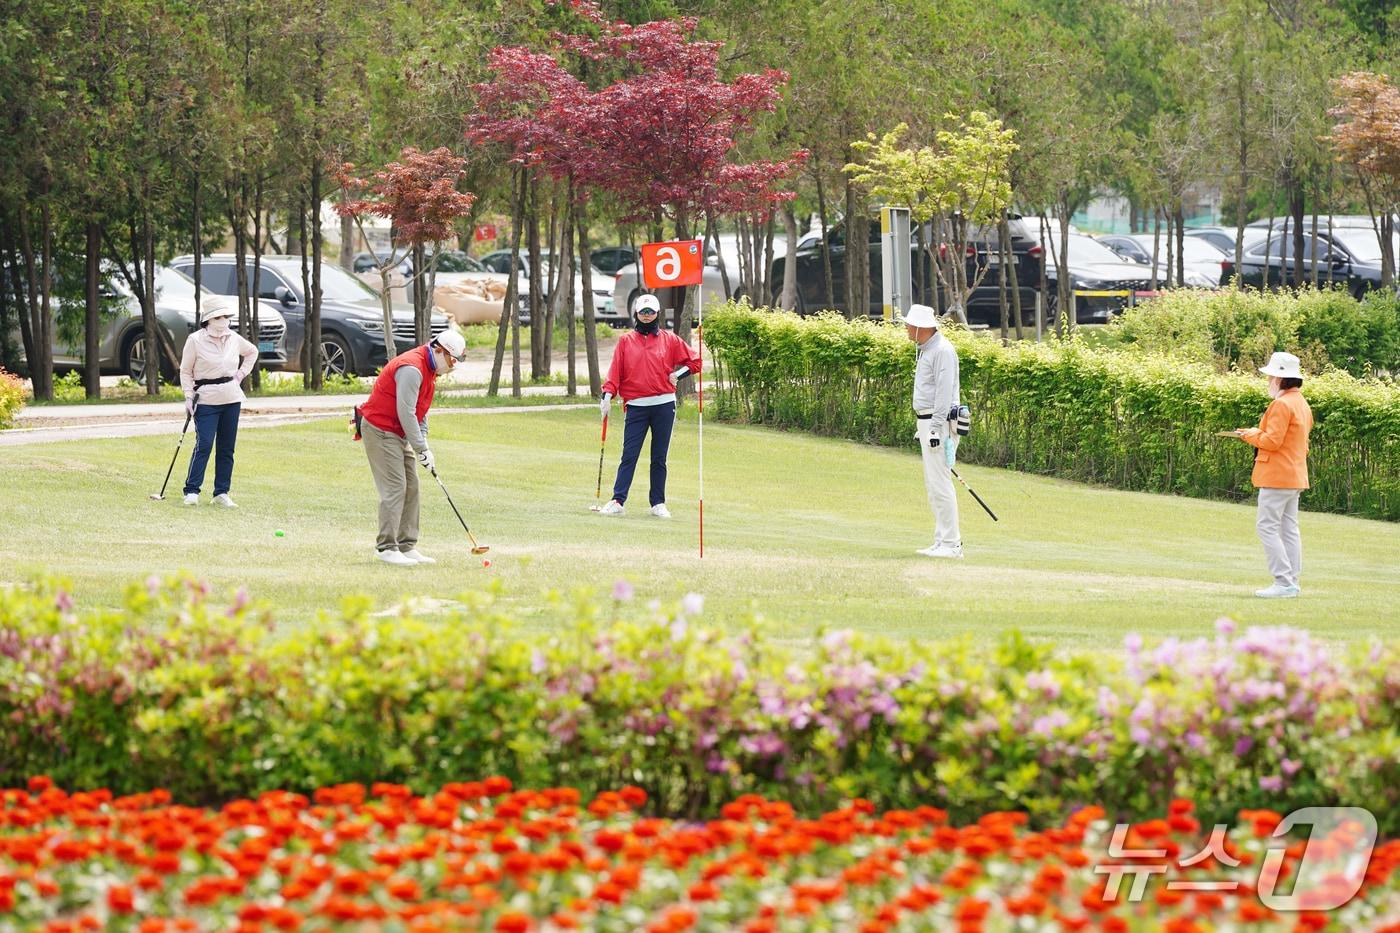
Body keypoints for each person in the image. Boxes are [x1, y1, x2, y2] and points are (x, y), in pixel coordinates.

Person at [357, 328, 468, 566]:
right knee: (396, 487)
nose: (453, 366)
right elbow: (405, 412)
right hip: (380, 429)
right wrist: (420, 448)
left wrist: (423, 444)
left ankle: (406, 545)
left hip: (397, 432)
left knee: (412, 485)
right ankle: (386, 547)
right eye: (453, 360)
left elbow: (420, 410)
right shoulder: (412, 368)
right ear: (440, 351)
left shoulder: (429, 370)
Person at [596, 294, 702, 518]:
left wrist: (678, 374)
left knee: (659, 457)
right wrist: (607, 395)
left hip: (664, 405)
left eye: (650, 312)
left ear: (657, 314)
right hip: (636, 406)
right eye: (643, 312)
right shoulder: (626, 341)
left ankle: (658, 503)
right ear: (636, 314)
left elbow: (695, 361)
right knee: (629, 454)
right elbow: (615, 372)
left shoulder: (669, 340)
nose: (646, 316)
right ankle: (617, 500)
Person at [1233, 351, 1313, 598]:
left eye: (1270, 377)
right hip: (1295, 475)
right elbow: (1289, 440)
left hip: (1277, 476)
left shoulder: (1281, 404)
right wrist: (1256, 431)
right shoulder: (1301, 403)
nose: (1268, 381)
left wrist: (1248, 436)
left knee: (1267, 527)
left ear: (1280, 379)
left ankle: (1283, 581)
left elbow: (1272, 441)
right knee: (1288, 528)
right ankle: (1291, 581)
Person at [179, 295, 257, 507]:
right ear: (209, 320)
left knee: (226, 448)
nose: (223, 321)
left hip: (231, 397)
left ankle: (221, 492)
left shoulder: (233, 337)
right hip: (205, 399)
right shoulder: (195, 340)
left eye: (226, 316)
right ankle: (192, 491)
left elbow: (252, 352)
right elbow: (186, 371)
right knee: (204, 444)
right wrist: (188, 395)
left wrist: (240, 375)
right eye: (218, 317)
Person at [904, 303, 962, 558]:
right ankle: (941, 540)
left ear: (920, 328)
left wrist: (936, 429)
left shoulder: (942, 351)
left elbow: (944, 393)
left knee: (940, 483)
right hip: (928, 422)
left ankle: (952, 544)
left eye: (909, 325)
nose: (906, 328)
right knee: (933, 485)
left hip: (939, 423)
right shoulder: (926, 350)